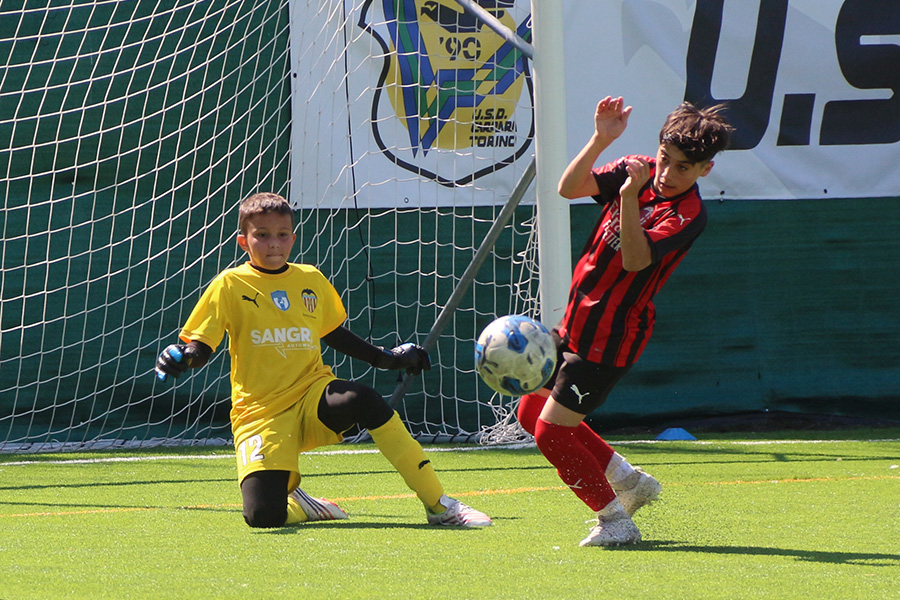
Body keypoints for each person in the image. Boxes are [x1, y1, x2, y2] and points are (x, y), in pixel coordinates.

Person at [155, 192, 491, 529]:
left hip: (311, 395)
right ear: (244, 241)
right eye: (263, 235)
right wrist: (184, 358)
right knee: (263, 518)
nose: (274, 244)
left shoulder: (310, 279)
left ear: (293, 238)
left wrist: (389, 359)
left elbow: (334, 334)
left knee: (362, 398)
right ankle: (304, 506)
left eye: (282, 234)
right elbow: (200, 345)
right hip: (260, 413)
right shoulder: (229, 284)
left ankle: (439, 505)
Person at [516, 96, 733, 546]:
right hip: (575, 322)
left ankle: (615, 521)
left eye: (684, 168)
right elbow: (569, 188)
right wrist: (600, 140)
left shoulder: (688, 213)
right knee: (529, 410)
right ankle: (629, 481)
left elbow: (635, 260)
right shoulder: (638, 169)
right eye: (665, 159)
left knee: (551, 433)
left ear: (705, 170)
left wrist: (629, 197)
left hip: (610, 338)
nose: (668, 173)